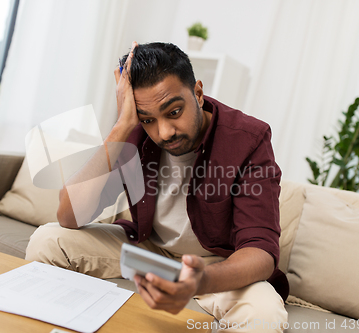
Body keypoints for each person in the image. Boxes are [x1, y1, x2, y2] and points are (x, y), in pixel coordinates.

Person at [26, 41, 289, 332]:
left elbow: (261, 251)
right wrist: (123, 126)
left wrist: (201, 279)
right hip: (150, 251)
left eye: (174, 112)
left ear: (198, 93)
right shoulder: (135, 131)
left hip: (216, 263)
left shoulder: (248, 139)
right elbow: (68, 216)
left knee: (265, 316)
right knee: (48, 239)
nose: (163, 132)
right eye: (148, 119)